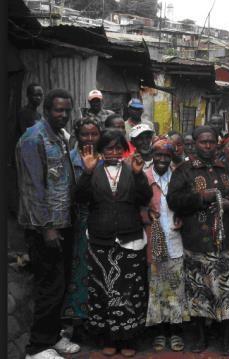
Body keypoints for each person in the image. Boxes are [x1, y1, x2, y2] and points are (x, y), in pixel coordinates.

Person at [167, 126, 229, 356]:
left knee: (227, 293)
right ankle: (200, 338)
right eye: (203, 142)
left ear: (217, 144)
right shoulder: (184, 170)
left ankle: (226, 341)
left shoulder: (226, 169)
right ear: (195, 143)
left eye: (211, 142)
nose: (207, 146)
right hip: (197, 241)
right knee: (199, 292)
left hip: (226, 242)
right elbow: (174, 200)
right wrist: (201, 197)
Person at [75, 129, 152, 357]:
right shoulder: (94, 171)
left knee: (129, 291)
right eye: (109, 148)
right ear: (101, 151)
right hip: (101, 240)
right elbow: (79, 198)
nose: (115, 152)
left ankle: (128, 340)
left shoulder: (132, 170)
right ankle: (108, 338)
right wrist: (87, 173)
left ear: (125, 149)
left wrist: (139, 176)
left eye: (119, 148)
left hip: (130, 239)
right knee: (103, 291)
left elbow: (145, 198)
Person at [17, 88, 81, 359]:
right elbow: (33, 188)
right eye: (58, 110)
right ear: (46, 110)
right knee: (48, 286)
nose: (63, 115)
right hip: (44, 227)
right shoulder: (33, 139)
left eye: (67, 110)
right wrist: (47, 228)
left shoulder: (60, 137)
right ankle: (37, 348)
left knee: (60, 284)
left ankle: (53, 337)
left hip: (63, 222)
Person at [144, 137, 190, 353]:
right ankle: (159, 332)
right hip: (153, 239)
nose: (162, 159)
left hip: (175, 239)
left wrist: (182, 215)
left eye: (166, 155)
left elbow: (187, 203)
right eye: (158, 154)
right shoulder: (144, 177)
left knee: (176, 288)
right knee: (156, 288)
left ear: (171, 156)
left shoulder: (179, 177)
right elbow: (137, 204)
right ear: (153, 155)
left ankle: (176, 332)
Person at [62, 118, 101, 335]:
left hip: (102, 222)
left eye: (94, 134)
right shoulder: (71, 159)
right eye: (85, 134)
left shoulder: (107, 158)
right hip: (79, 222)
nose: (89, 138)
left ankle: (96, 319)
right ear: (77, 135)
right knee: (79, 271)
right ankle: (77, 320)